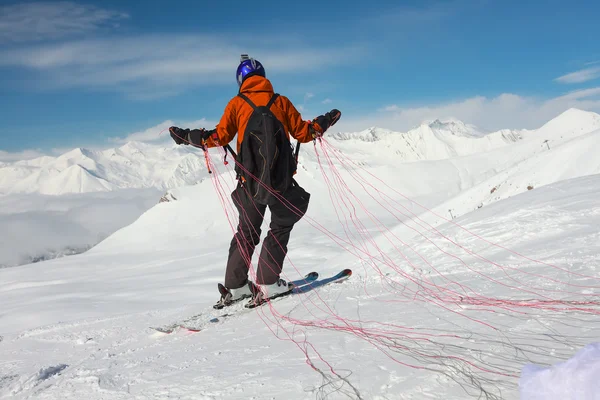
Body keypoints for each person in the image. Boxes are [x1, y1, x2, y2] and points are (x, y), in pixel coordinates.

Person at [169, 54, 341, 307]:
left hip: (247, 182)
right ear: (263, 76)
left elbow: (218, 137)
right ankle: (270, 283)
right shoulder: (280, 101)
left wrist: (187, 136)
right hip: (281, 181)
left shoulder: (237, 104)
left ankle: (236, 287)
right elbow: (305, 134)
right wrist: (325, 121)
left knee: (246, 232)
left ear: (241, 79)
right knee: (280, 225)